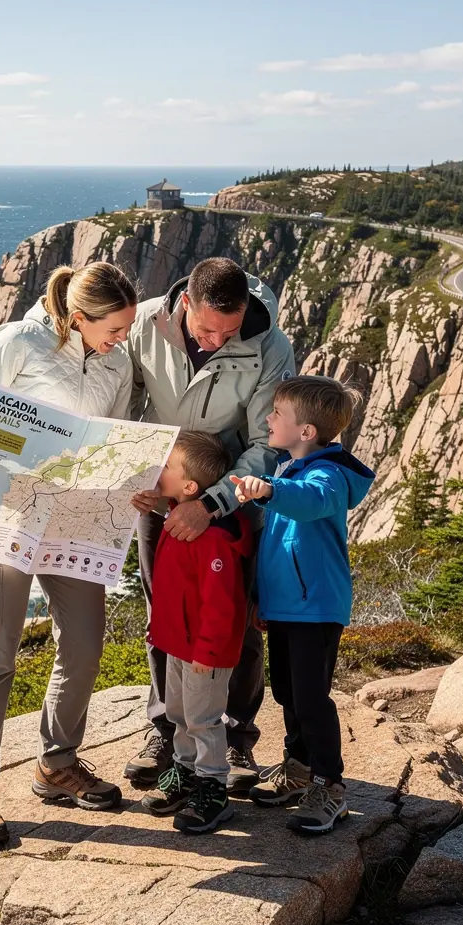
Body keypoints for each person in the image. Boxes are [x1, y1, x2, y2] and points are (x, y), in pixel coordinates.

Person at [0, 261, 138, 847]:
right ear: (79, 317)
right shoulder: (18, 340)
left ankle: (57, 765)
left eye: (127, 329)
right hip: (8, 503)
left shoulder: (118, 363)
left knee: (83, 641)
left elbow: (116, 430)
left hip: (76, 510)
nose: (123, 339)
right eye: (115, 330)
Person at [125, 257, 295, 791]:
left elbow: (270, 443)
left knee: (238, 621)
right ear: (183, 306)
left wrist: (212, 503)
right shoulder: (143, 325)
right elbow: (120, 400)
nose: (220, 340)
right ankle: (167, 730)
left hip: (232, 501)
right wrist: (134, 469)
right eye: (206, 329)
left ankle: (237, 736)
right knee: (164, 614)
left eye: (230, 329)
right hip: (159, 495)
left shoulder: (271, 345)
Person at [231, 375, 374, 835]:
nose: (269, 419)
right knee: (288, 693)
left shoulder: (326, 476)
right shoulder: (291, 471)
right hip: (289, 607)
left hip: (316, 608)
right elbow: (276, 549)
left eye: (278, 414)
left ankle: (329, 786)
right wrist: (262, 601)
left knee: (311, 698)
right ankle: (297, 768)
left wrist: (269, 490)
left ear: (307, 431)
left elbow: (310, 504)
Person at [138, 431, 252, 833]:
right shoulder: (176, 516)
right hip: (176, 645)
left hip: (204, 652)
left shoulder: (212, 539)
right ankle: (185, 772)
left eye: (168, 464)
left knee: (203, 718)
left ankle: (213, 787)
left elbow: (221, 606)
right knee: (179, 713)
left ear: (190, 487)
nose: (160, 466)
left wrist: (206, 652)